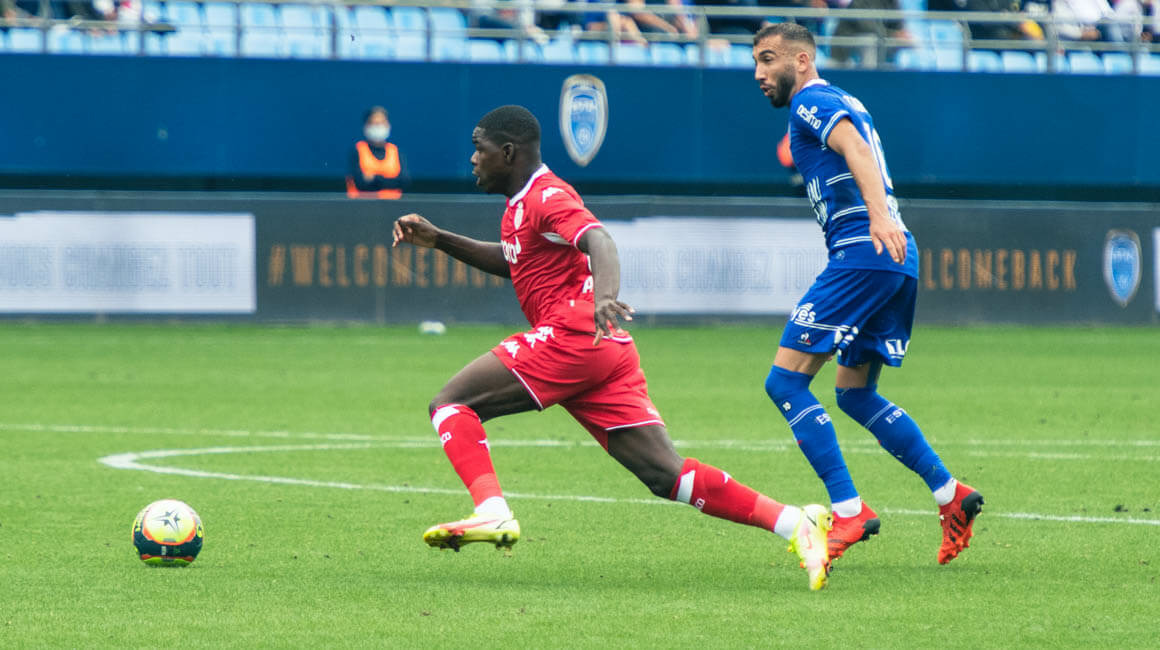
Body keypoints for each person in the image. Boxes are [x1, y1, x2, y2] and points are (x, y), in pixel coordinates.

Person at [392, 104, 834, 590]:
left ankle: (492, 510)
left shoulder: (546, 195)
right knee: (666, 475)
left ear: (509, 152)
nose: (473, 159)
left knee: (451, 403)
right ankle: (796, 523)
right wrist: (440, 240)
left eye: (479, 149)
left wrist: (604, 296)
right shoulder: (520, 203)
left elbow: (599, 240)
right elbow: (515, 261)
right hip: (603, 350)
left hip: (573, 336)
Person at [750, 24, 983, 565]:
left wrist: (878, 216)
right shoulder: (842, 99)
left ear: (801, 60)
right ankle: (950, 494)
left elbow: (854, 147)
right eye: (756, 62)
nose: (759, 73)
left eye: (768, 59)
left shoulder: (811, 100)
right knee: (854, 393)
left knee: (785, 381)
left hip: (865, 250)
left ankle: (849, 509)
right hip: (894, 255)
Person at [346, 106, 410, 200]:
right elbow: (361, 183)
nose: (378, 127)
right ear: (366, 126)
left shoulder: (396, 151)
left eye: (381, 123)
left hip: (393, 205)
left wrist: (374, 178)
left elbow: (404, 182)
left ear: (388, 125)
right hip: (362, 205)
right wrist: (390, 180)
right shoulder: (357, 151)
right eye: (374, 123)